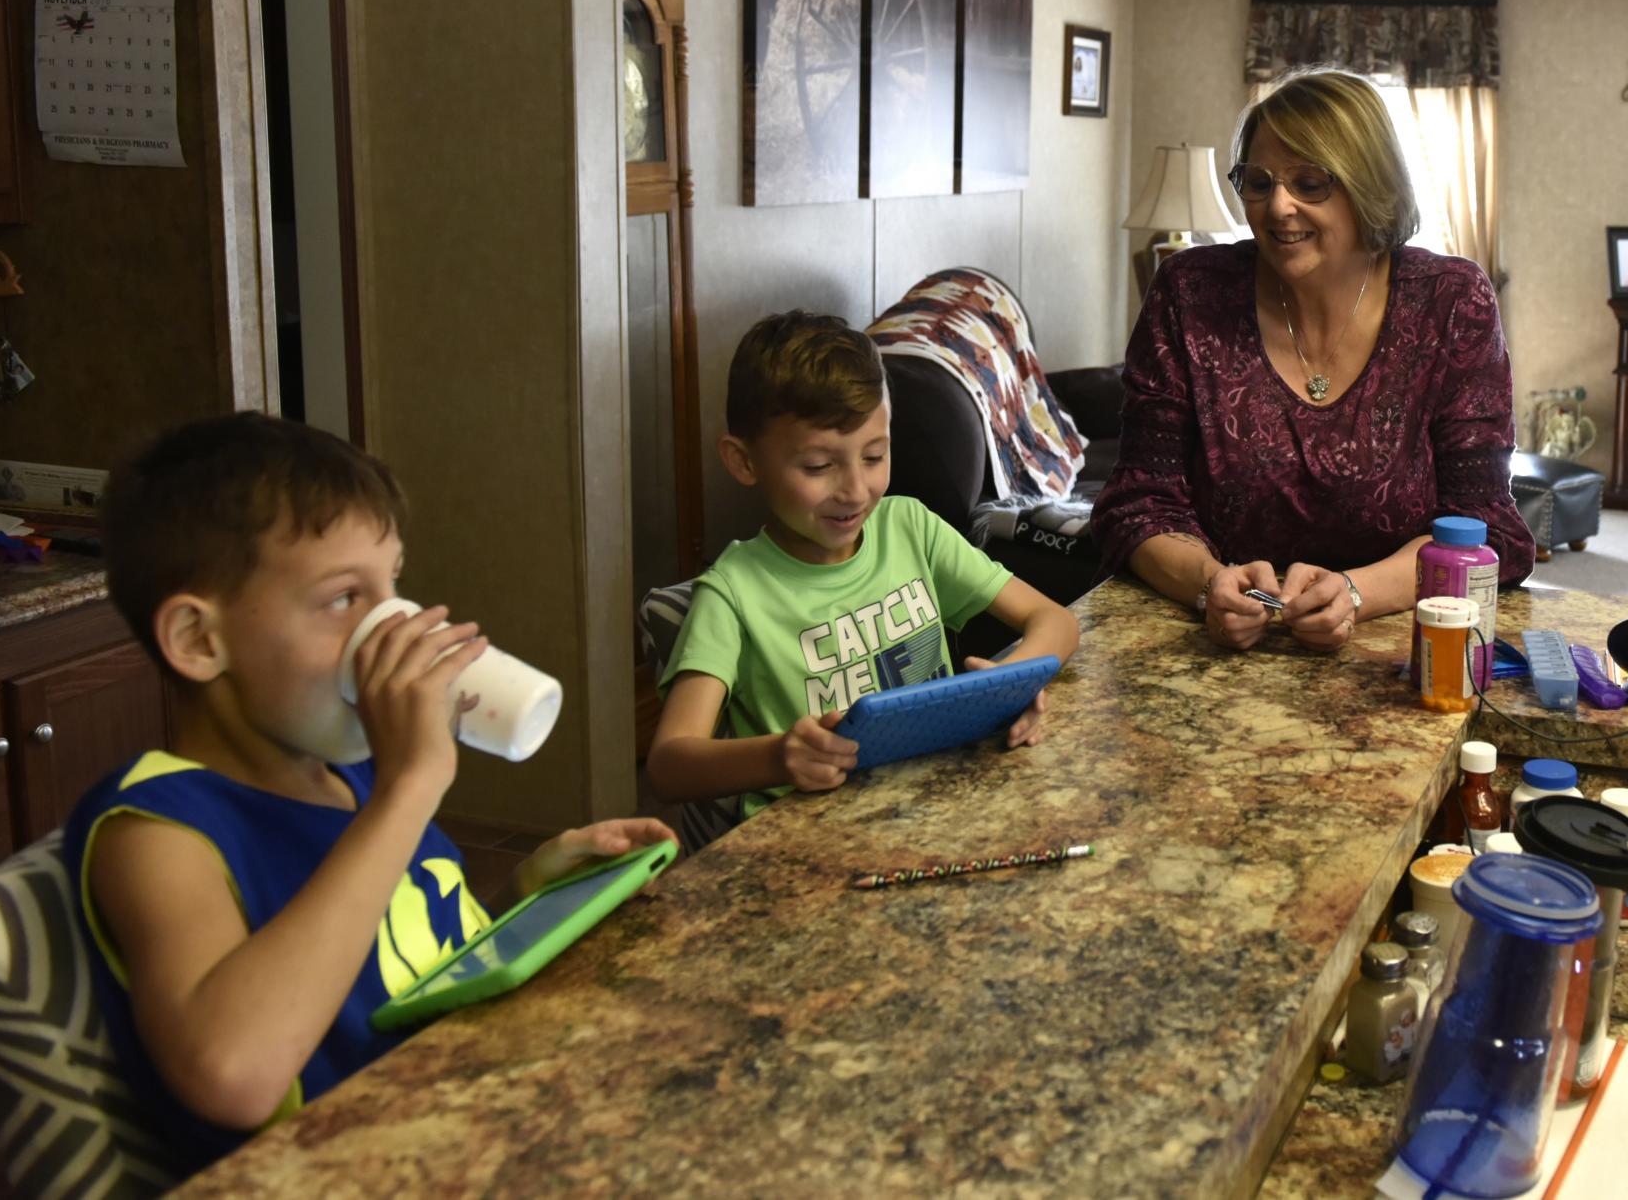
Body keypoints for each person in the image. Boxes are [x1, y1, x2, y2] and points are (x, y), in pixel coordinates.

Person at [74, 414, 673, 1175]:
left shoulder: (351, 778)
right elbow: (233, 1073)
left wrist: (529, 887)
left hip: (476, 1132)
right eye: (344, 598)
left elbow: (401, 969)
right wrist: (411, 787)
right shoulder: (159, 830)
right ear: (198, 639)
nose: (394, 628)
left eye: (393, 584)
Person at [1093, 70, 1533, 653]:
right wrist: (1208, 585)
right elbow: (1138, 502)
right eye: (1259, 181)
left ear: (1370, 186)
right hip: (1221, 643)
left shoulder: (1451, 301)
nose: (1278, 207)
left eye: (1310, 182)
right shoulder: (1189, 292)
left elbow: (1484, 525)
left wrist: (1357, 593)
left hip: (1400, 650)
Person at [648, 312, 1080, 846]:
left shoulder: (910, 529)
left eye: (875, 456)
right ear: (743, 461)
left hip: (939, 813)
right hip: (814, 843)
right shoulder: (734, 593)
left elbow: (1054, 621)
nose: (855, 490)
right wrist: (780, 756)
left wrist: (1005, 688)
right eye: (817, 467)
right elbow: (669, 765)